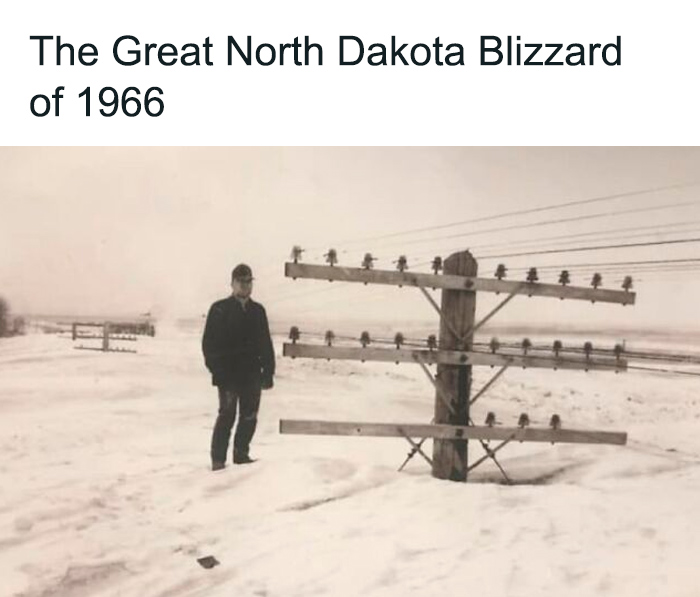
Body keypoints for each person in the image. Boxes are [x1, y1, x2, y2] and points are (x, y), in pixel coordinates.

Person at [202, 264, 275, 470]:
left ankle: (241, 456)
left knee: (249, 416)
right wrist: (217, 370)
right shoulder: (220, 309)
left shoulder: (258, 311)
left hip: (252, 375)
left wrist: (268, 372)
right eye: (240, 282)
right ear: (232, 284)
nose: (245, 286)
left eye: (248, 281)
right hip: (228, 376)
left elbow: (265, 343)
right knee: (227, 415)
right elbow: (209, 344)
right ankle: (218, 461)